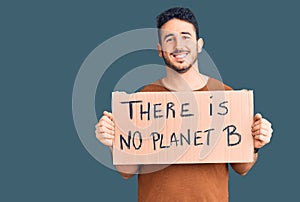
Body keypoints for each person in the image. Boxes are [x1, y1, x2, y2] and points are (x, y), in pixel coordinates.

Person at [95, 7, 273, 202]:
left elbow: (243, 169)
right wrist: (113, 142)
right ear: (160, 49)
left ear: (199, 45)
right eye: (169, 39)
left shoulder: (226, 97)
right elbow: (127, 172)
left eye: (186, 36)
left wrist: (254, 145)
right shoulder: (142, 100)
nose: (178, 45)